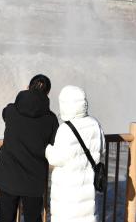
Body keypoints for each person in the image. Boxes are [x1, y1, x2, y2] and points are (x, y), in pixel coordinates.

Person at [0, 74, 59, 222]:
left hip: (8, 177)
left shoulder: (11, 110)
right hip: (33, 181)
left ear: (28, 87)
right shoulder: (51, 119)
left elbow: (4, 114)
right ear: (47, 93)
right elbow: (54, 142)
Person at [45, 85, 105, 222]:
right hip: (88, 187)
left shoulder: (65, 129)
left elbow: (56, 159)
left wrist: (47, 148)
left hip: (68, 191)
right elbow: (102, 150)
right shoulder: (95, 124)